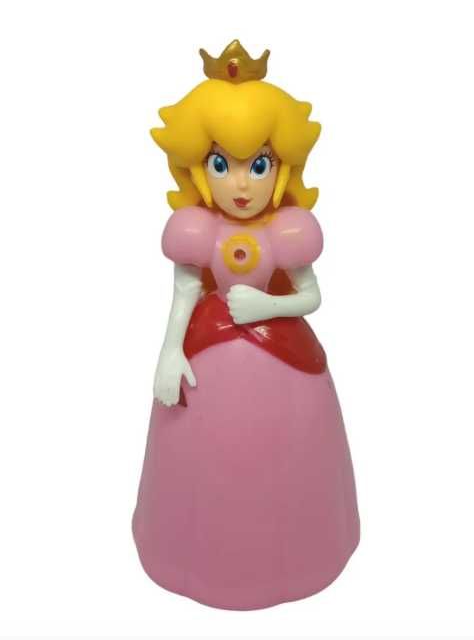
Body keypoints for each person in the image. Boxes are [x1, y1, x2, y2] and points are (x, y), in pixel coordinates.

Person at [132, 40, 360, 610]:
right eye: (222, 164)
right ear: (198, 167)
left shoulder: (289, 232)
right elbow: (184, 293)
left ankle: (300, 551)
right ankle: (192, 552)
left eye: (258, 165)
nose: (241, 184)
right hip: (202, 365)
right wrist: (168, 352)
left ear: (281, 167)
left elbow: (311, 295)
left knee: (288, 464)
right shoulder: (196, 231)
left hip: (286, 362)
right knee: (200, 465)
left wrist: (267, 308)